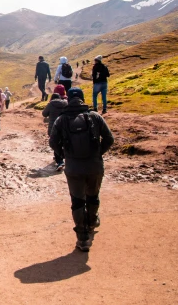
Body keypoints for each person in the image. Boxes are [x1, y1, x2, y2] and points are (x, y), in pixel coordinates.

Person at [49, 88, 114, 252]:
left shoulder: (61, 120)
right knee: (93, 196)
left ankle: (82, 239)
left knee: (77, 201)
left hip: (73, 168)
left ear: (69, 100)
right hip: (95, 165)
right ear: (83, 99)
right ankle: (92, 222)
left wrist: (64, 154)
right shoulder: (95, 117)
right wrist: (99, 153)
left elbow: (52, 142)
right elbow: (109, 138)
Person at [42, 93, 68, 170]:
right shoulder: (65, 103)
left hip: (53, 127)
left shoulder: (51, 104)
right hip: (65, 127)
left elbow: (44, 114)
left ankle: (60, 161)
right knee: (64, 142)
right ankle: (65, 157)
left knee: (56, 143)